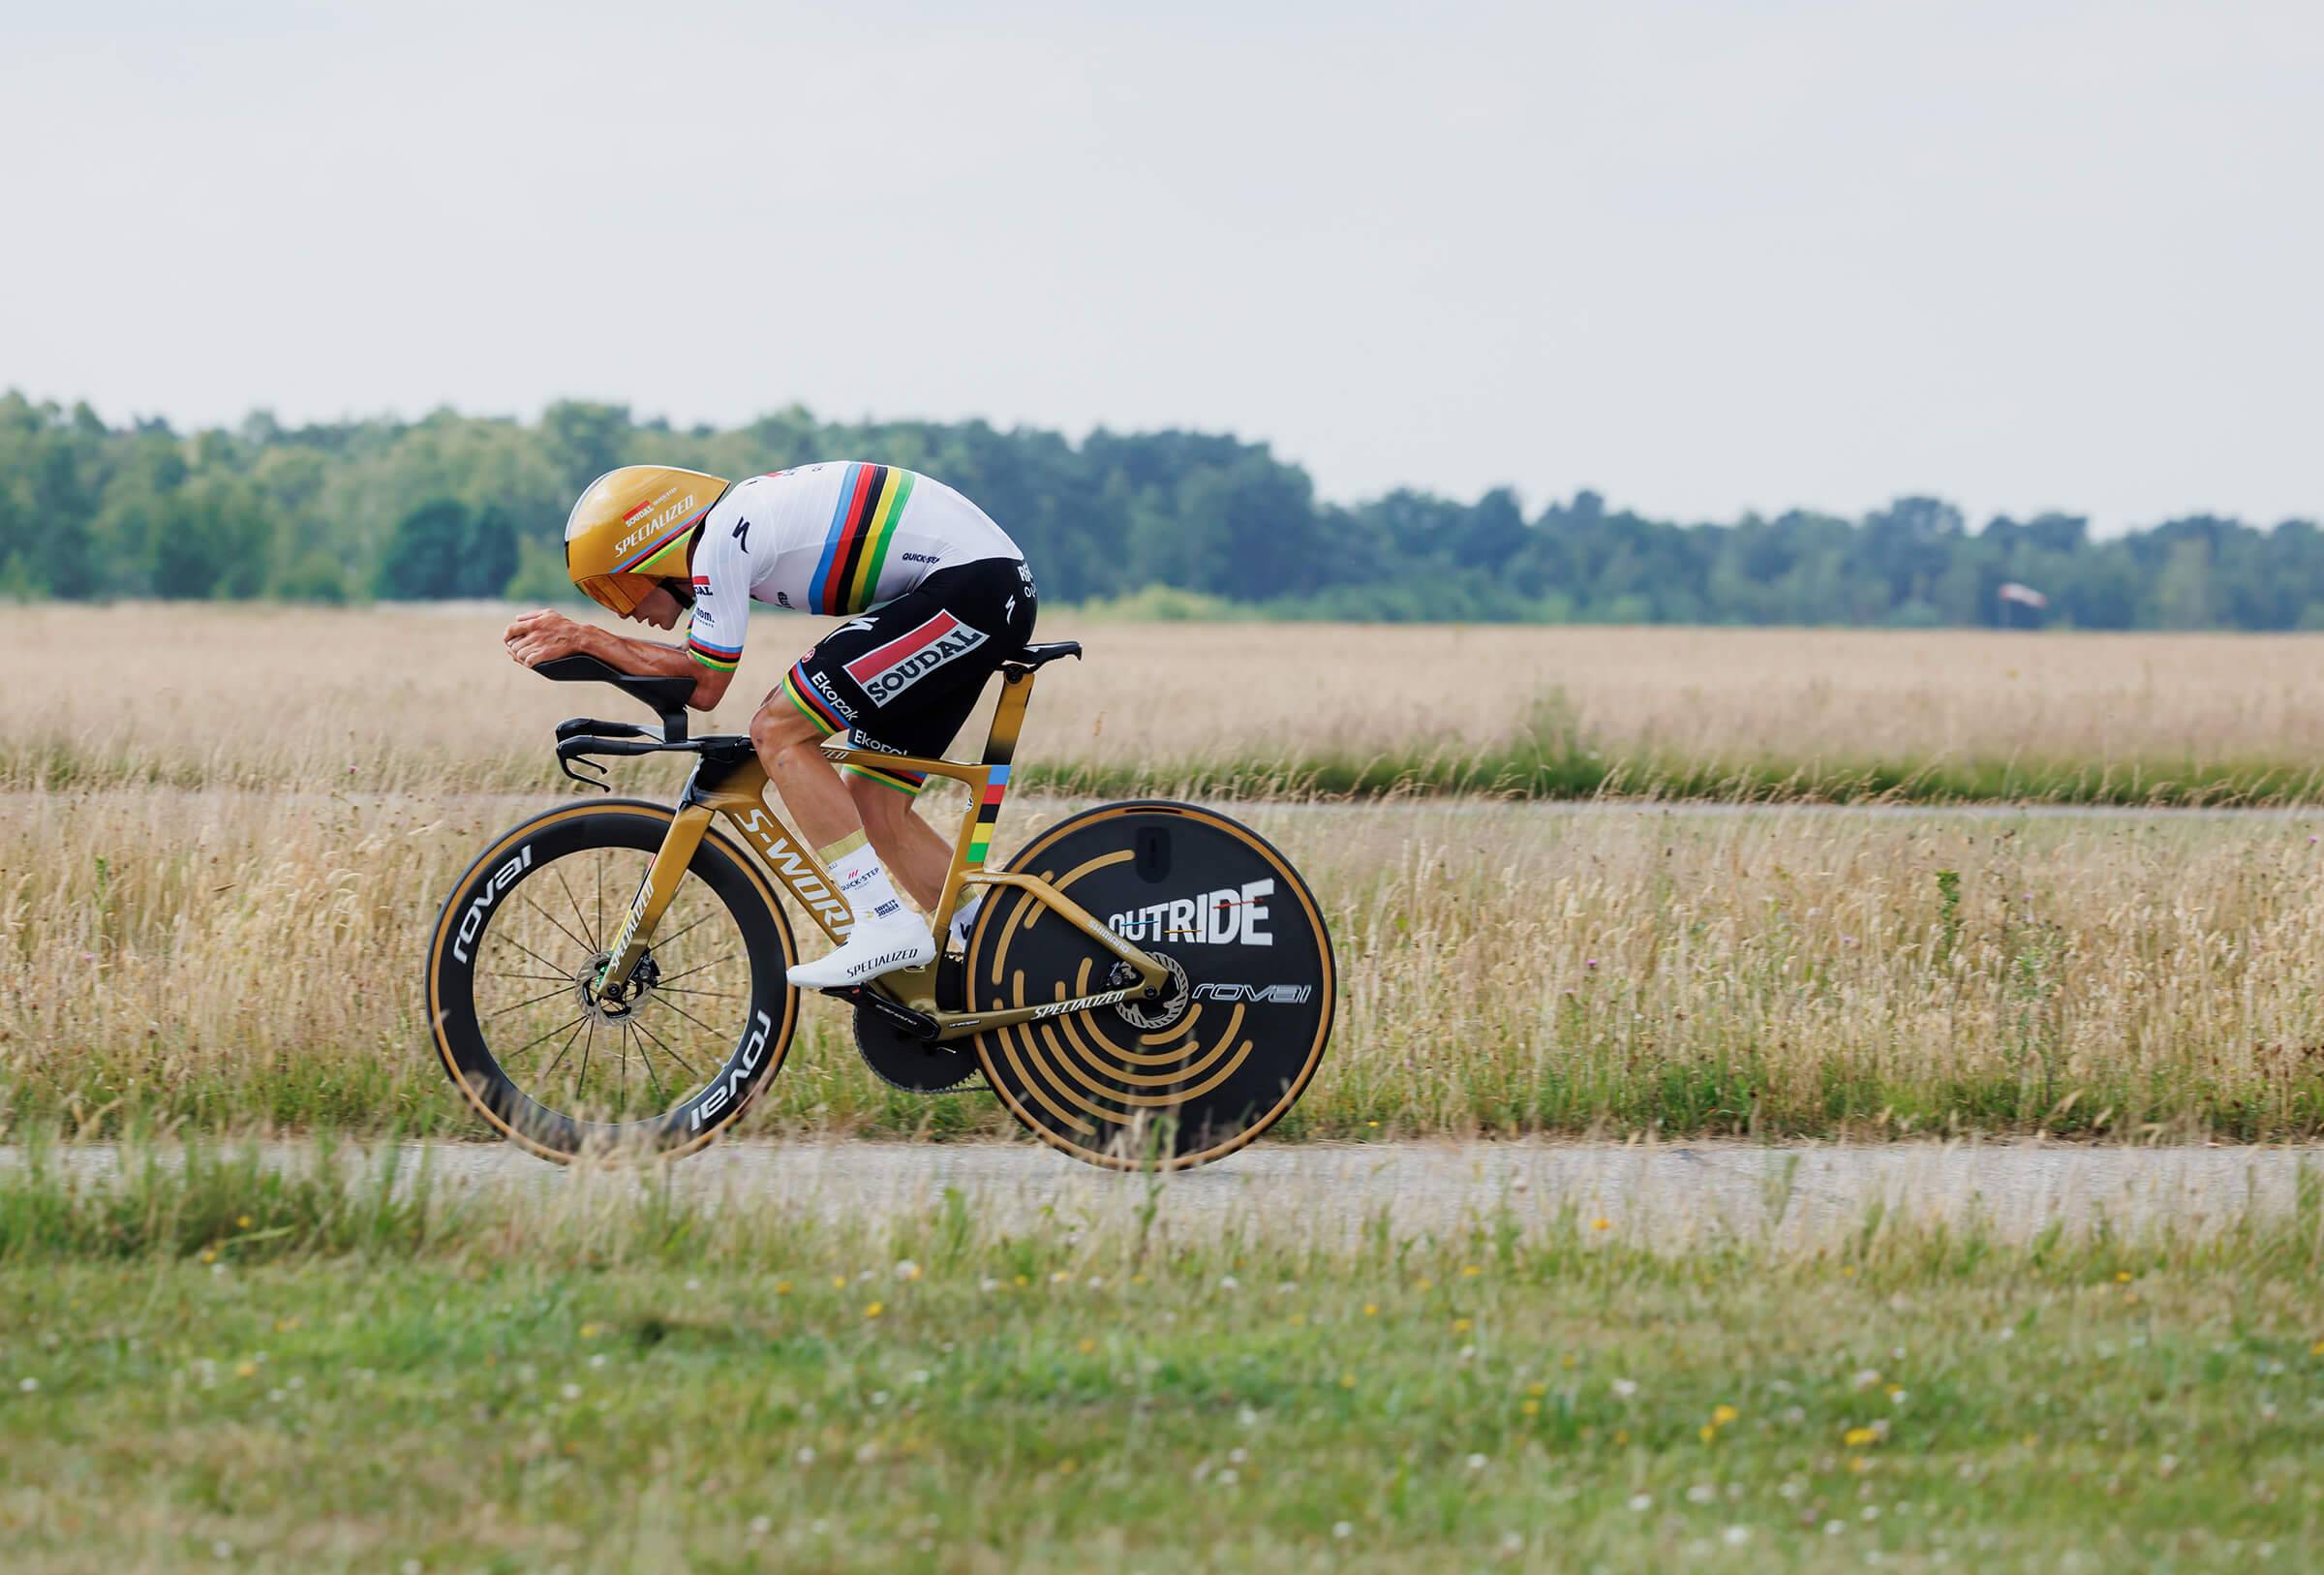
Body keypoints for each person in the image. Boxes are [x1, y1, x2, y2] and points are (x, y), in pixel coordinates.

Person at [502, 462, 1034, 988]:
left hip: (972, 587)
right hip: (983, 588)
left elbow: (705, 684)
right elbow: (694, 671)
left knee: (777, 730)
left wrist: (590, 640)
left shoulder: (718, 541)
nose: (623, 613)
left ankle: (882, 920)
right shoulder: (731, 529)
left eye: (618, 590)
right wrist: (594, 645)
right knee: (873, 805)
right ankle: (1013, 957)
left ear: (652, 551)